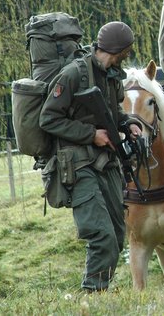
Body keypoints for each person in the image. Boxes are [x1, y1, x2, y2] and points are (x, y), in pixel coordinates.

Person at [39, 21, 142, 292]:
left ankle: (99, 291)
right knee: (102, 235)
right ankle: (92, 295)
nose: (127, 56)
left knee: (117, 235)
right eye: (126, 51)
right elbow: (48, 119)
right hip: (78, 164)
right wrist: (91, 135)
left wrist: (127, 122)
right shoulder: (73, 74)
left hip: (106, 162)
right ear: (120, 50)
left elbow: (112, 114)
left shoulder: (111, 76)